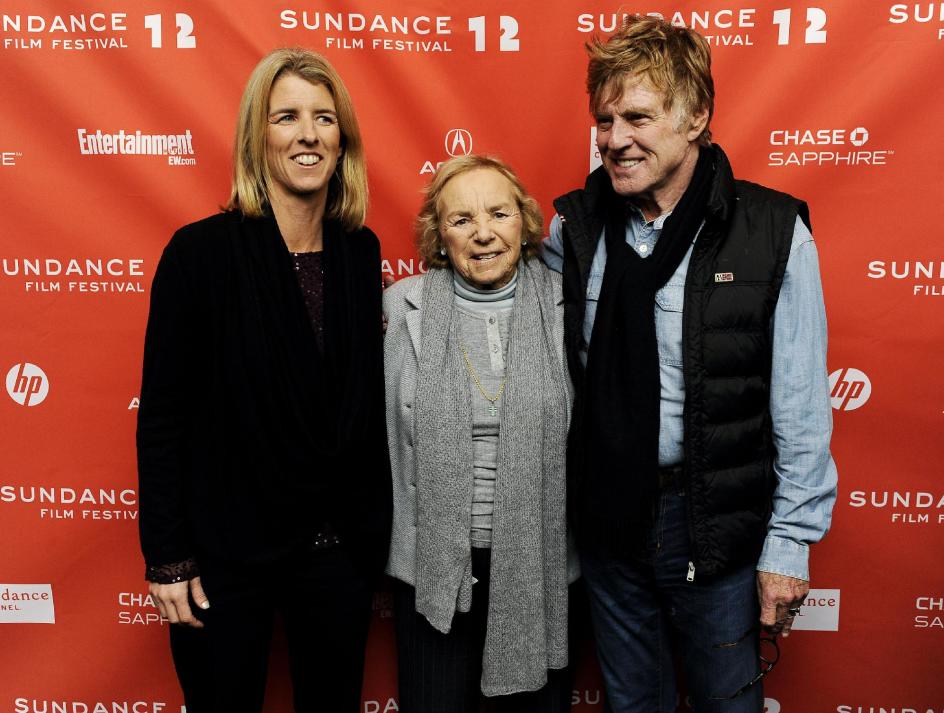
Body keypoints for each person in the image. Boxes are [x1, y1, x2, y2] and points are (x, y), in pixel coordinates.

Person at [543, 16, 838, 712]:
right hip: (607, 521)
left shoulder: (771, 231)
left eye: (638, 117)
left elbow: (798, 403)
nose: (615, 139)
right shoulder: (573, 228)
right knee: (631, 704)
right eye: (605, 119)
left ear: (697, 115)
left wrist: (788, 546)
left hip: (712, 521)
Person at [136, 48, 391, 713]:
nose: (308, 134)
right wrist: (167, 557)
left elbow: (357, 407)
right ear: (260, 134)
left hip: (336, 552)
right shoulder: (199, 254)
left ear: (342, 140)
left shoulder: (360, 251)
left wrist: (372, 536)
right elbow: (163, 415)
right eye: (287, 117)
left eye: (323, 118)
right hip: (226, 551)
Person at [383, 155, 578, 713]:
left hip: (541, 558)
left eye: (499, 213)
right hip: (433, 566)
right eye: (461, 219)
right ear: (439, 236)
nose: (484, 232)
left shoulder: (566, 306)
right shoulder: (401, 308)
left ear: (525, 223)